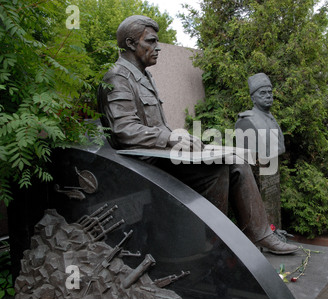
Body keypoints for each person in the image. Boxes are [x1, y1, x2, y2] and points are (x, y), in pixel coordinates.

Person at [97, 15, 298, 255]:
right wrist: (172, 139)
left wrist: (184, 139)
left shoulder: (143, 75)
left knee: (236, 161)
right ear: (131, 44)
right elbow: (125, 131)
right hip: (141, 165)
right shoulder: (117, 77)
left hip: (158, 154)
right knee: (216, 171)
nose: (157, 47)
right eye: (150, 41)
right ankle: (212, 247)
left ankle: (261, 235)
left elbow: (156, 127)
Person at [235, 73, 285, 159]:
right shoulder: (246, 122)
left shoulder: (270, 117)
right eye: (263, 93)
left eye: (270, 92)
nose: (268, 96)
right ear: (253, 98)